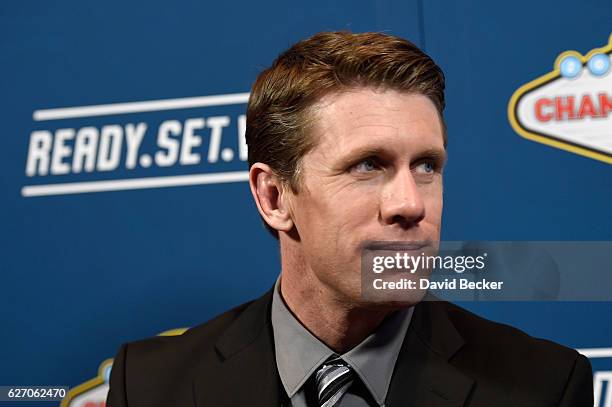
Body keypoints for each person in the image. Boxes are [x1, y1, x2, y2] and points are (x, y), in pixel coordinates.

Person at [106, 31, 593, 407]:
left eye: (426, 166)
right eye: (368, 166)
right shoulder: (150, 386)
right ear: (274, 197)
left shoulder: (542, 386)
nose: (410, 204)